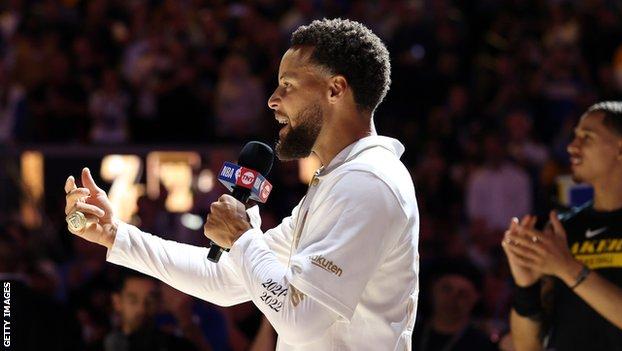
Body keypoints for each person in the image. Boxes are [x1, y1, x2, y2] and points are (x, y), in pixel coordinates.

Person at [64, 19, 419, 350]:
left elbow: (299, 321)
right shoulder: (339, 179)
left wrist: (243, 236)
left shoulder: (367, 182)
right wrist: (115, 234)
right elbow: (222, 279)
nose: (273, 100)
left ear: (336, 89)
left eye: (288, 85)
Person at [502, 101, 622, 350]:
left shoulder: (559, 253)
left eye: (587, 138)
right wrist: (526, 286)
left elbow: (567, 269)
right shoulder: (561, 232)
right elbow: (526, 347)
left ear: (621, 148)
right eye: (575, 136)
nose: (572, 146)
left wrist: (567, 268)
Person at [412, 259, 497, 351]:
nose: (452, 299)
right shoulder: (409, 332)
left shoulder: (482, 345)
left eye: (463, 294)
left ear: (476, 298)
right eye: (447, 289)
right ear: (433, 289)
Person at [104, 270, 198, 351]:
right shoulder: (99, 347)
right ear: (117, 302)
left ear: (159, 301)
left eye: (150, 300)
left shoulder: (177, 347)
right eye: (133, 300)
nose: (142, 308)